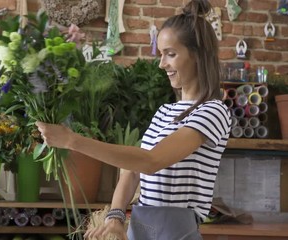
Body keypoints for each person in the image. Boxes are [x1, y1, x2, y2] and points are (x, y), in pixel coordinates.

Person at [36, 0, 232, 239]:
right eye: (161, 54)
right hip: (143, 228)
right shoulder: (164, 112)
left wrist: (73, 141)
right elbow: (132, 170)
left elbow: (151, 161)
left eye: (170, 54)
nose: (162, 64)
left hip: (176, 232)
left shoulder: (213, 111)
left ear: (199, 55)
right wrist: (116, 216)